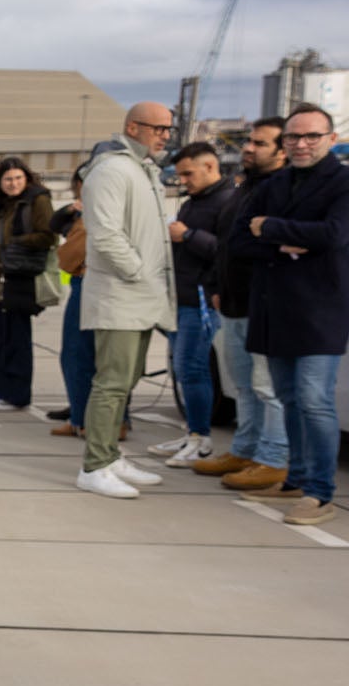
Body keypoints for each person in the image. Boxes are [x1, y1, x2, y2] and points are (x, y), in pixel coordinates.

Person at [228, 102, 349, 527]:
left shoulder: (343, 182)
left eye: (311, 136)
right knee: (289, 399)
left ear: (330, 139)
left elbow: (333, 236)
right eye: (293, 137)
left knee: (315, 401)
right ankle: (296, 478)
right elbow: (239, 240)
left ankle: (319, 493)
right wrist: (285, 244)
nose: (301, 144)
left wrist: (271, 228)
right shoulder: (273, 184)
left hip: (319, 312)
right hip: (273, 309)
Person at [76, 103, 178, 499]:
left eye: (169, 129)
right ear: (132, 127)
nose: (165, 135)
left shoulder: (143, 170)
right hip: (123, 293)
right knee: (112, 382)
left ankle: (111, 455)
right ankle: (95, 465)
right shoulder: (113, 170)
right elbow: (105, 234)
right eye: (158, 128)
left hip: (142, 296)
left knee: (128, 379)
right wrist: (138, 272)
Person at [193, 119, 290, 490]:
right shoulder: (244, 189)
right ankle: (245, 449)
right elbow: (227, 244)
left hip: (262, 303)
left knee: (268, 386)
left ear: (281, 152)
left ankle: (273, 458)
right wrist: (217, 285)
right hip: (232, 302)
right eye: (249, 141)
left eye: (259, 144)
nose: (248, 148)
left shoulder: (281, 191)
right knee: (244, 385)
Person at [148, 142, 237, 465]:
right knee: (184, 370)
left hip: (201, 300)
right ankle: (193, 434)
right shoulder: (194, 202)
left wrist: (187, 236)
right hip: (180, 298)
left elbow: (228, 251)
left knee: (194, 368)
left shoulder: (227, 202)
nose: (183, 180)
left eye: (188, 173)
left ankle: (200, 439)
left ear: (210, 166)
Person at [0, 156, 54, 412]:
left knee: (16, 340)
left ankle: (16, 394)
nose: (13, 183)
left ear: (27, 178)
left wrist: (15, 244)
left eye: (18, 178)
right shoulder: (1, 206)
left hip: (16, 281)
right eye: (8, 179)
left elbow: (48, 235)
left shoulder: (36, 201)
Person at [48, 163, 94, 437]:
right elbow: (54, 223)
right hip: (83, 283)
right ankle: (79, 415)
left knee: (81, 355)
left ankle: (87, 419)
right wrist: (71, 208)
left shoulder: (94, 216)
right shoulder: (82, 213)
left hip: (89, 283)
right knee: (79, 355)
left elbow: (66, 257)